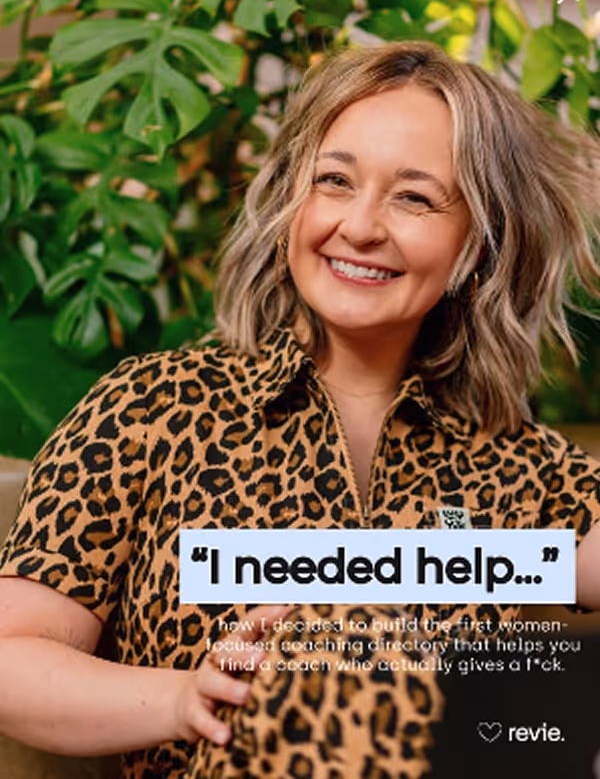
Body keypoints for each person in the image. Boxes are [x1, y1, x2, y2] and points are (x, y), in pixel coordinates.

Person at [0, 39, 600, 779]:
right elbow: (11, 659)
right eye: (334, 181)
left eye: (414, 197)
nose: (362, 226)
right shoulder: (150, 409)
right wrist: (186, 699)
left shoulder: (521, 465)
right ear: (291, 203)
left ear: (478, 246)